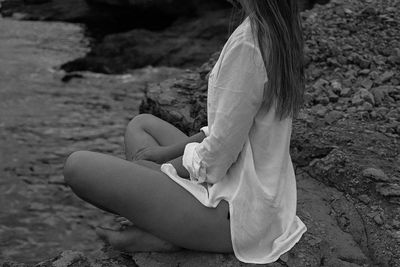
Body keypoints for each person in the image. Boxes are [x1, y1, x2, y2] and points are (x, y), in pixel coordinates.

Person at [63, 0, 307, 264]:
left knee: (77, 166)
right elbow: (228, 130)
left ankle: (170, 234)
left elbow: (218, 156)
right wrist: (163, 156)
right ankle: (170, 223)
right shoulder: (278, 30)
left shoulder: (249, 45)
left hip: (235, 217)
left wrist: (165, 168)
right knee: (142, 124)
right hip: (260, 200)